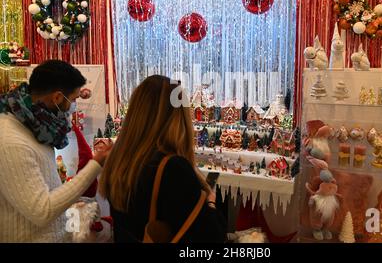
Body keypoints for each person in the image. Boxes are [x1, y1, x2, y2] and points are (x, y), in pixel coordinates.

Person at [99, 75, 226, 243]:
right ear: (179, 118)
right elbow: (210, 238)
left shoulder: (118, 159)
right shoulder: (173, 168)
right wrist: (210, 202)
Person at [0, 60, 111, 242]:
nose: (74, 105)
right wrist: (95, 165)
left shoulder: (35, 124)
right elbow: (42, 211)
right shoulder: (11, 141)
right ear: (58, 98)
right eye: (74, 100)